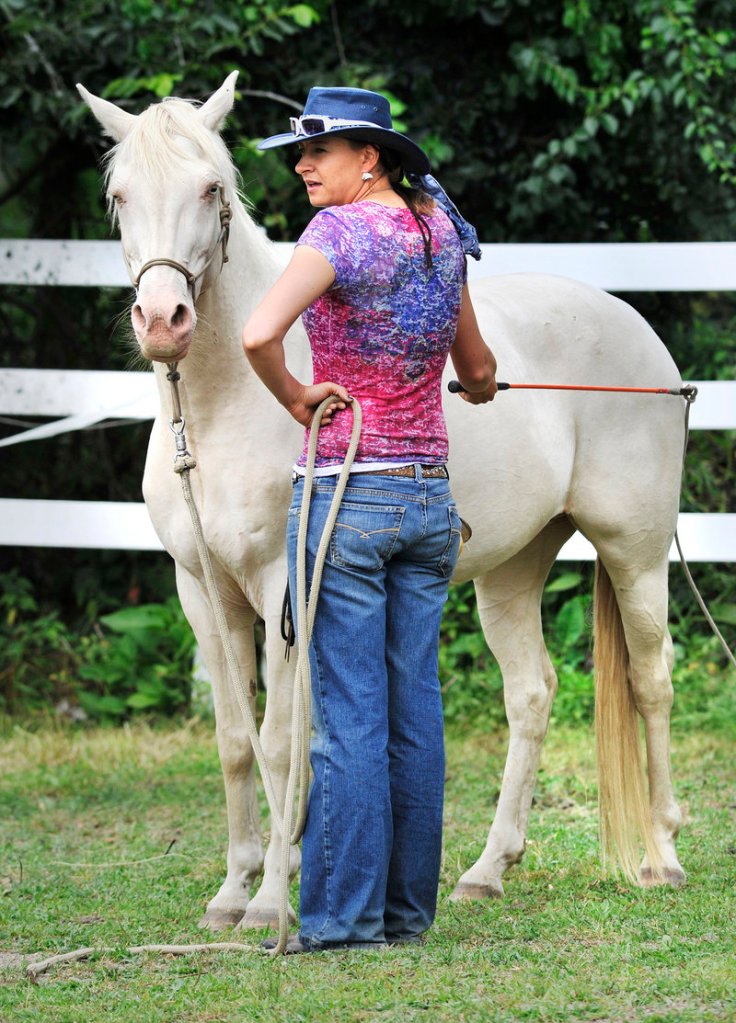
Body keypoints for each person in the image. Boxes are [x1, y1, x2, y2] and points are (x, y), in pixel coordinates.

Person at [242, 86, 497, 953]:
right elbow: (481, 366)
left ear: (372, 159)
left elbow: (255, 335)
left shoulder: (339, 234)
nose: (304, 166)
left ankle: (346, 925)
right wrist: (479, 384)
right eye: (300, 153)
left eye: (323, 151)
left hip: (350, 496)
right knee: (412, 712)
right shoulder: (440, 232)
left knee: (350, 716)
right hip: (431, 499)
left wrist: (294, 393)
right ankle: (405, 914)